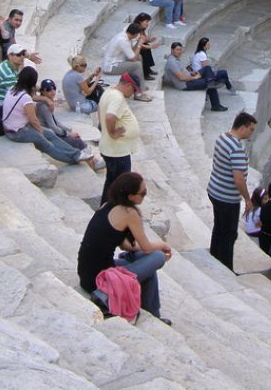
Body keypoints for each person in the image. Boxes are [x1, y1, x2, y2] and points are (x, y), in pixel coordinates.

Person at [77, 171, 172, 323]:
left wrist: (143, 254)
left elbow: (125, 245)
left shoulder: (108, 205)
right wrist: (163, 245)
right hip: (102, 282)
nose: (144, 196)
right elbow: (147, 248)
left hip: (87, 274)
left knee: (148, 263)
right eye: (143, 193)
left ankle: (154, 315)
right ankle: (153, 314)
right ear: (130, 196)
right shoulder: (129, 213)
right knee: (157, 257)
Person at [0, 66, 98, 167]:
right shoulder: (26, 98)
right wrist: (41, 132)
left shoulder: (13, 89)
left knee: (50, 134)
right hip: (17, 132)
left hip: (12, 126)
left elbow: (34, 94)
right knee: (46, 144)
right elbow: (33, 120)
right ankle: (75, 157)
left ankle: (77, 154)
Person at [207, 112, 257, 271]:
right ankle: (226, 268)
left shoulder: (222, 138)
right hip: (227, 198)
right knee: (229, 234)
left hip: (214, 190)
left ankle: (214, 257)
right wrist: (248, 199)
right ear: (242, 128)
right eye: (251, 129)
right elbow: (239, 180)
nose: (251, 133)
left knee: (219, 228)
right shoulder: (236, 149)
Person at [98, 73, 142, 204]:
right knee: (120, 187)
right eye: (133, 90)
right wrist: (112, 133)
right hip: (117, 151)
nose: (133, 93)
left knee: (111, 183)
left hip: (114, 149)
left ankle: (104, 209)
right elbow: (110, 117)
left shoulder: (109, 92)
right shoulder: (117, 97)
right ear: (128, 85)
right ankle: (113, 214)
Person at [163, 41, 228, 112]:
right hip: (185, 84)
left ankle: (211, 82)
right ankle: (216, 106)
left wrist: (191, 73)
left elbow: (182, 72)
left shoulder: (174, 59)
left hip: (189, 79)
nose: (179, 52)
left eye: (180, 50)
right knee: (209, 83)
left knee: (207, 68)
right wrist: (194, 77)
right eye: (177, 49)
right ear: (172, 50)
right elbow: (181, 78)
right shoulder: (172, 62)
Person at [102, 23, 153, 102]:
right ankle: (139, 93)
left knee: (139, 57)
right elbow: (133, 58)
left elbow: (132, 52)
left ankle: (140, 84)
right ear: (135, 34)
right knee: (137, 65)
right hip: (111, 66)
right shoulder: (123, 40)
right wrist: (139, 44)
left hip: (117, 61)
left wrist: (139, 42)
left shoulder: (125, 36)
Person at [36, 78, 89, 151]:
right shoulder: (44, 107)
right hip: (48, 135)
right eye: (48, 90)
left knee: (76, 138)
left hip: (50, 132)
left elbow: (55, 121)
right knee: (77, 142)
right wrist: (67, 133)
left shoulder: (47, 103)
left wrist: (68, 130)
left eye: (54, 88)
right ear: (42, 91)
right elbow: (52, 126)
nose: (52, 91)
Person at [0, 44, 28, 126]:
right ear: (10, 56)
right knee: (25, 104)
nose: (22, 57)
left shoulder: (8, 64)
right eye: (18, 55)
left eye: (23, 54)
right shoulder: (7, 72)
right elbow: (16, 95)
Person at [133, 11, 160, 80]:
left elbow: (143, 40)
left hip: (138, 46)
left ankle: (148, 68)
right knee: (144, 51)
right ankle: (145, 73)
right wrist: (151, 46)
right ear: (140, 22)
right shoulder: (135, 29)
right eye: (146, 22)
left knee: (147, 45)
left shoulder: (142, 29)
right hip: (133, 48)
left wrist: (150, 40)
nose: (148, 24)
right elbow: (138, 44)